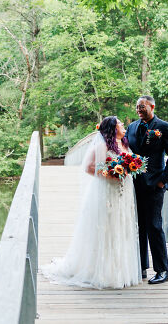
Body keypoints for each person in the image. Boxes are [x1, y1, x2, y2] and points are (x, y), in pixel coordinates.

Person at [40, 116, 141, 289]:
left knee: (120, 227)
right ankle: (103, 272)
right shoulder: (102, 145)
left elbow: (129, 163)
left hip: (124, 194)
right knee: (107, 228)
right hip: (108, 191)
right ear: (112, 128)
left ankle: (120, 270)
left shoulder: (125, 144)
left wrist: (129, 168)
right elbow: (89, 167)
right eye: (120, 124)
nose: (123, 125)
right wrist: (112, 173)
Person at [125, 95, 168, 284]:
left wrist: (163, 181)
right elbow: (124, 149)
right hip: (134, 184)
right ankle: (140, 267)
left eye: (142, 107)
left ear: (152, 106)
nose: (139, 110)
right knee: (138, 226)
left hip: (155, 184)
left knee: (155, 226)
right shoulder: (131, 127)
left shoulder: (163, 127)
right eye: (137, 107)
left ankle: (164, 270)